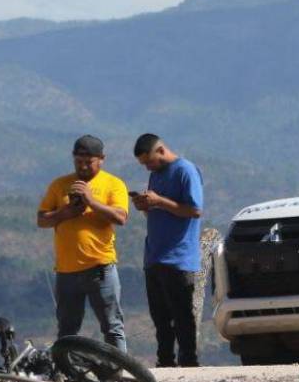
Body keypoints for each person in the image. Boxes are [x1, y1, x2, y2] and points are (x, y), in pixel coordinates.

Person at [37, 135, 129, 352]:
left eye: (89, 162)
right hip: (66, 271)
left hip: (100, 268)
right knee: (67, 329)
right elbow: (41, 220)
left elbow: (121, 218)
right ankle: (67, 373)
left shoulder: (113, 184)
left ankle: (117, 372)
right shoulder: (59, 185)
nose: (84, 166)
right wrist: (66, 212)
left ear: (102, 159)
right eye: (79, 161)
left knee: (112, 325)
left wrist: (90, 201)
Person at [131, 133, 205, 367]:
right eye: (143, 164)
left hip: (178, 257)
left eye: (149, 161)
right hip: (154, 256)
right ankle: (165, 361)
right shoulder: (155, 175)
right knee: (160, 318)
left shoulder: (185, 170)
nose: (148, 168)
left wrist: (159, 201)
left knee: (182, 316)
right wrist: (145, 205)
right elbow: (158, 210)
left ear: (161, 150)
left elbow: (194, 210)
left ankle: (189, 361)